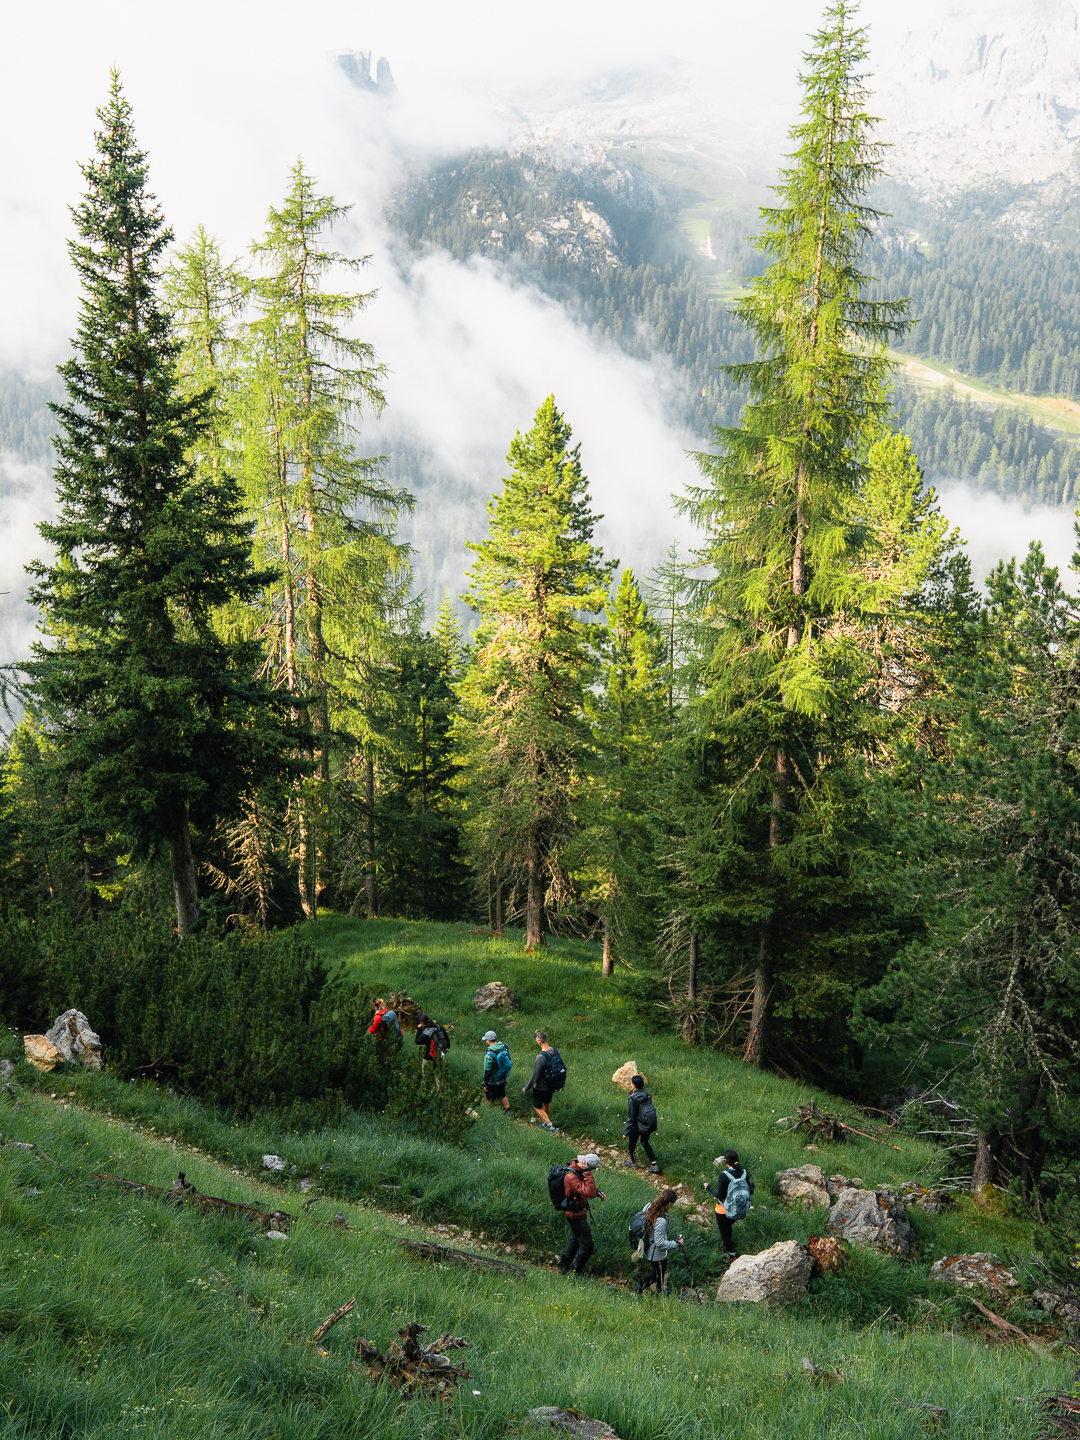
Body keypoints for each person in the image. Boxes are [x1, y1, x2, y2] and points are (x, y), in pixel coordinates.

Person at [558, 1153, 606, 1276]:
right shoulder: (571, 1176)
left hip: (577, 1211)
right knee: (587, 1245)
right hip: (575, 1215)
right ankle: (575, 1271)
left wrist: (597, 1192)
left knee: (574, 1239)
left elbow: (584, 1188)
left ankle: (564, 1266)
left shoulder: (576, 1168)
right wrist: (586, 1172)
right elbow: (589, 1192)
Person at [704, 1149, 754, 1262]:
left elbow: (719, 1195)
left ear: (726, 1161)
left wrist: (709, 1188)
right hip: (740, 1209)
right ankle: (728, 1243)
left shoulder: (724, 1175)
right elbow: (750, 1191)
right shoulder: (744, 1173)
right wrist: (752, 1185)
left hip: (724, 1211)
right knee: (728, 1226)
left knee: (724, 1232)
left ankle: (731, 1253)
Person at [635, 1189, 683, 1296]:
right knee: (656, 1275)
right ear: (669, 1204)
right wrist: (676, 1244)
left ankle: (659, 1290)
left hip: (648, 1245)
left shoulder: (649, 1206)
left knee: (661, 1271)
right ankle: (638, 1289)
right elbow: (660, 1243)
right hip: (656, 1253)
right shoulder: (661, 1221)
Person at [522, 1031, 561, 1132]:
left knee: (536, 1106)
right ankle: (546, 1123)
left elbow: (535, 1076)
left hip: (541, 1087)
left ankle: (550, 1127)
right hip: (552, 1084)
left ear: (539, 1042)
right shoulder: (556, 1051)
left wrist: (526, 1087)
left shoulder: (540, 1057)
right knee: (547, 1102)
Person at [622, 1074, 659, 1173]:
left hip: (636, 1125)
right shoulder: (647, 1094)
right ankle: (654, 1164)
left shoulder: (633, 1098)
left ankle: (633, 1162)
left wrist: (626, 1132)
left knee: (632, 1143)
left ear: (634, 1085)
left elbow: (631, 1117)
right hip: (647, 1123)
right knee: (645, 1143)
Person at [415, 1013, 450, 1086]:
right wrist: (446, 1048)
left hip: (430, 1054)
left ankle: (425, 1085)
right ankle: (439, 1088)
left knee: (424, 1071)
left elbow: (417, 1041)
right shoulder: (439, 1026)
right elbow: (447, 1039)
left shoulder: (427, 1032)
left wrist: (419, 1029)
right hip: (440, 1053)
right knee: (438, 1073)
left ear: (422, 1023)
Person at [481, 1030, 512, 1110]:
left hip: (492, 1080)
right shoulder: (505, 1046)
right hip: (503, 1076)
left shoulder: (489, 1054)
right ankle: (508, 1111)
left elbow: (487, 1070)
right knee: (502, 1095)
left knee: (490, 1098)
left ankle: (488, 1113)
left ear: (488, 1041)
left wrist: (485, 1083)